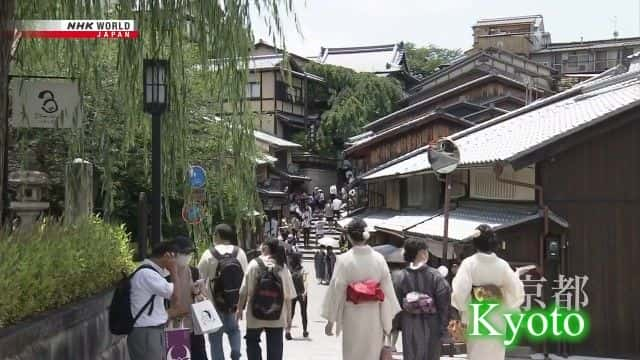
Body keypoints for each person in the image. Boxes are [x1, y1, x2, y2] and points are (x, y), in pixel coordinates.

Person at [321, 218, 401, 360]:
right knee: (372, 354)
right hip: (374, 316)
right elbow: (387, 290)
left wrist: (331, 321)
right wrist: (387, 322)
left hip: (352, 315)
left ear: (349, 237)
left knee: (353, 354)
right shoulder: (379, 259)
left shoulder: (343, 260)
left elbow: (336, 291)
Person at [451, 224, 525, 360]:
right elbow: (516, 293)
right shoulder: (502, 265)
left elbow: (460, 293)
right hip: (497, 316)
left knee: (476, 353)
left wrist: (466, 305)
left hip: (476, 315)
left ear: (475, 244)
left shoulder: (469, 263)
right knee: (496, 354)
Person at [238, 239, 297, 360]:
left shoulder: (253, 264)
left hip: (255, 313)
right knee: (275, 346)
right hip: (277, 314)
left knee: (252, 342)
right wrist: (289, 319)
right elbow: (288, 296)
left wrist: (239, 309)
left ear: (265, 248)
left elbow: (243, 290)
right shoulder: (282, 267)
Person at [394, 238, 451, 360]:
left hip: (409, 323)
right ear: (422, 253)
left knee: (411, 353)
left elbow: (396, 304)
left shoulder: (400, 276)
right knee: (431, 355)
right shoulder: (435, 276)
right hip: (431, 323)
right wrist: (443, 326)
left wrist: (397, 325)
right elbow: (444, 302)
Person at [198, 224, 248, 360]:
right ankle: (236, 352)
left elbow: (199, 279)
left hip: (214, 303)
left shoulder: (209, 254)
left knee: (215, 337)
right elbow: (245, 279)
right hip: (234, 302)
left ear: (217, 235)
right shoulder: (240, 252)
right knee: (234, 330)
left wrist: (202, 298)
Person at [128, 241, 185, 360]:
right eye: (174, 258)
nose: (176, 262)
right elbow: (176, 296)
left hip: (150, 331)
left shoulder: (150, 273)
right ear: (167, 256)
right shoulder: (147, 274)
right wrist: (174, 271)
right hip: (146, 332)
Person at [168, 236, 207, 360]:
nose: (187, 256)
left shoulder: (194, 272)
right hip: (174, 329)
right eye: (184, 253)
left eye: (190, 253)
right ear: (174, 253)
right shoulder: (164, 275)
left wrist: (198, 293)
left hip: (195, 328)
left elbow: (204, 299)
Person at [286, 252, 309, 339]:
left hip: (292, 293)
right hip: (301, 293)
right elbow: (305, 281)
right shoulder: (303, 269)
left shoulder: (289, 270)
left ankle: (288, 331)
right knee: (303, 312)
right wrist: (304, 292)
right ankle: (305, 330)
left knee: (290, 313)